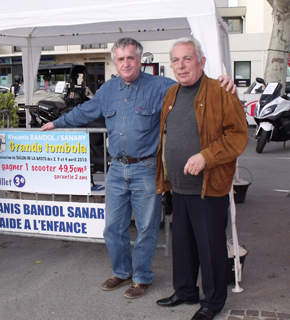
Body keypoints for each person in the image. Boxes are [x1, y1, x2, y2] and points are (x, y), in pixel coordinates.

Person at [41, 37, 236, 299]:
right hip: (116, 171)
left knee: (146, 227)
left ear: (140, 60)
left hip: (146, 169)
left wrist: (223, 83)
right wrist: (57, 124)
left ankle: (142, 277)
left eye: (130, 58)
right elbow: (85, 112)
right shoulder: (108, 90)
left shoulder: (161, 87)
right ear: (114, 62)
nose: (126, 63)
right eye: (120, 59)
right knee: (113, 226)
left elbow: (192, 84)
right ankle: (121, 273)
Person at [155, 37, 248, 320]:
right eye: (175, 60)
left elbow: (238, 135)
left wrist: (206, 156)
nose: (181, 66)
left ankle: (214, 301)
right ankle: (185, 291)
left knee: (210, 249)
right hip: (179, 187)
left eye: (187, 58)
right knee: (182, 245)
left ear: (201, 61)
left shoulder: (221, 91)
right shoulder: (171, 94)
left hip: (209, 187)